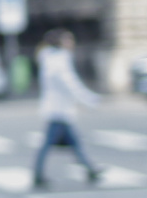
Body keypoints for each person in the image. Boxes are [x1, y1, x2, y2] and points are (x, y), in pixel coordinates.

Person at [31, 27, 104, 189]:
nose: (72, 42)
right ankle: (37, 174)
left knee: (74, 142)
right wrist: (89, 99)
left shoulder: (49, 58)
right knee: (50, 144)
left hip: (57, 109)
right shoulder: (59, 61)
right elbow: (70, 85)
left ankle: (90, 169)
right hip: (59, 111)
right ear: (60, 42)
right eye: (68, 39)